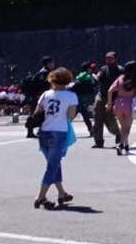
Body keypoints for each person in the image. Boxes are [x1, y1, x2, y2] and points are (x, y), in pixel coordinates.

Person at [31, 67, 77, 209]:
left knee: (54, 163)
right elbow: (70, 116)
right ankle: (40, 197)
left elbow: (37, 113)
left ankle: (62, 193)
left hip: (44, 132)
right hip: (59, 132)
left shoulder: (45, 94)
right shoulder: (71, 96)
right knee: (52, 166)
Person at [107, 62, 136, 154]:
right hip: (130, 105)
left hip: (118, 104)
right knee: (127, 128)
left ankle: (126, 144)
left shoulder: (120, 78)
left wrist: (110, 103)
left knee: (123, 126)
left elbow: (110, 90)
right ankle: (120, 144)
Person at [23, 56, 54, 138]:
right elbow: (43, 86)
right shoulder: (44, 74)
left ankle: (35, 131)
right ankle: (32, 130)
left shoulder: (41, 72)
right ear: (47, 64)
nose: (53, 64)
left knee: (41, 114)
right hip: (41, 97)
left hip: (38, 96)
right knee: (39, 114)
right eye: (51, 62)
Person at [92, 52, 118, 148]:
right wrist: (95, 77)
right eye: (106, 58)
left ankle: (118, 134)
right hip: (101, 96)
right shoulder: (103, 69)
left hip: (113, 98)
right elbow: (98, 78)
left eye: (110, 58)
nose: (108, 60)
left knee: (110, 119)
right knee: (97, 118)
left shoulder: (120, 70)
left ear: (115, 59)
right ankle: (98, 141)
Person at [69, 63, 97, 138]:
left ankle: (91, 131)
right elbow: (92, 86)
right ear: (88, 69)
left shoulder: (79, 76)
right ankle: (91, 131)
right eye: (90, 68)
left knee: (79, 115)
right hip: (83, 98)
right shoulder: (87, 76)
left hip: (76, 98)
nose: (91, 69)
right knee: (85, 115)